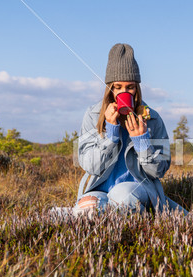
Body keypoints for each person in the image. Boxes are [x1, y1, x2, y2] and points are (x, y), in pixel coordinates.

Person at [75, 43, 185, 215]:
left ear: (137, 88)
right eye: (117, 87)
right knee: (84, 211)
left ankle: (147, 230)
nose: (123, 92)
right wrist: (110, 137)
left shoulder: (153, 119)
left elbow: (159, 171)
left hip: (139, 188)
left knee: (122, 196)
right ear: (109, 88)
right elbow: (91, 167)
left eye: (130, 87)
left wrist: (142, 143)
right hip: (101, 189)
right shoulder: (93, 115)